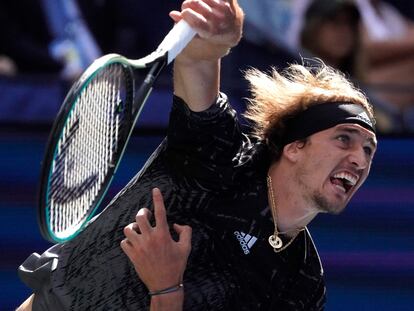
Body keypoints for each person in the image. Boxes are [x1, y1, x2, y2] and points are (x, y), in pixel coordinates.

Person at [17, 0, 377, 310]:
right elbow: (198, 63)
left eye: (368, 150)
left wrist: (165, 288)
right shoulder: (217, 153)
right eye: (344, 139)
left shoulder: (302, 285)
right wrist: (215, 39)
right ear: (295, 147)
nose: (359, 160)